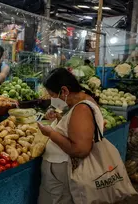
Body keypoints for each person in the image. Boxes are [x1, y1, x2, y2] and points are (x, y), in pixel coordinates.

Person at [37, 68, 104, 204]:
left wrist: (51, 133)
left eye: (52, 94)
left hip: (63, 171)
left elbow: (80, 149)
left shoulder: (82, 109)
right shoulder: (79, 103)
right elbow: (75, 131)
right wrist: (60, 118)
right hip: (61, 171)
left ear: (65, 91)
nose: (51, 99)